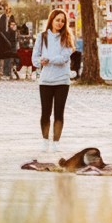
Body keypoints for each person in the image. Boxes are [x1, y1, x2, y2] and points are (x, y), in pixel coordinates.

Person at [33, 9, 75, 153]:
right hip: (45, 81)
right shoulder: (42, 37)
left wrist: (49, 59)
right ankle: (45, 140)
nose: (60, 23)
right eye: (57, 20)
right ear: (51, 20)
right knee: (45, 112)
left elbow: (64, 58)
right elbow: (35, 58)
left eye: (62, 21)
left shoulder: (67, 38)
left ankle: (56, 142)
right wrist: (40, 61)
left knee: (59, 112)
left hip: (62, 80)